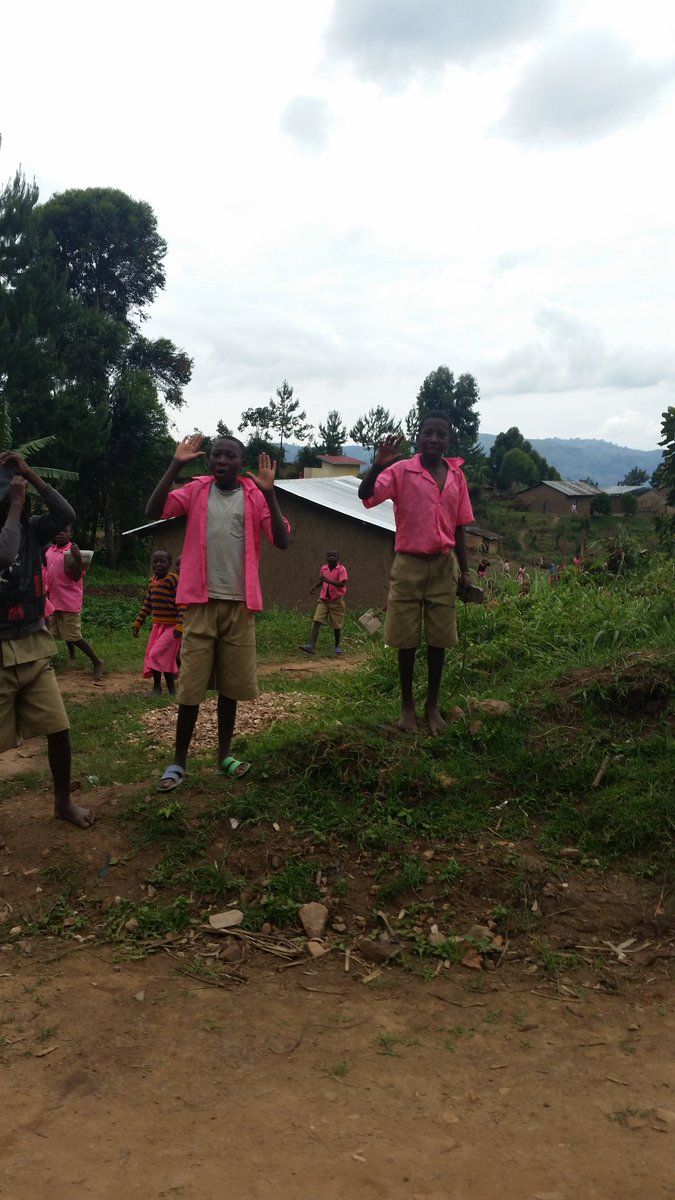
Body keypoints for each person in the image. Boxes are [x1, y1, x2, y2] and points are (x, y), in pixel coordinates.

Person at [144, 433, 290, 790]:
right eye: (217, 456)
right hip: (200, 604)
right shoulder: (196, 491)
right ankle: (179, 762)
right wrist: (176, 464)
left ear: (242, 463)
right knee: (191, 686)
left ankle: (224, 755)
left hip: (240, 605)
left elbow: (282, 540)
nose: (221, 461)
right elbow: (153, 511)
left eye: (230, 456)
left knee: (230, 685)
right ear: (210, 461)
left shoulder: (255, 495)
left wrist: (270, 492)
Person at [358, 411, 473, 736]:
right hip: (408, 563)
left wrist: (465, 573)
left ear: (448, 439)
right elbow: (365, 495)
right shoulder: (400, 471)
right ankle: (407, 706)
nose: (434, 439)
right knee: (405, 638)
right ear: (419, 437)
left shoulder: (456, 476)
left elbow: (460, 526)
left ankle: (431, 705)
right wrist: (379, 463)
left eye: (441, 434)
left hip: (442, 565)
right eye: (428, 433)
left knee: (440, 639)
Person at [0, 452, 95, 832]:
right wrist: (18, 505)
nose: (17, 502)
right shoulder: (12, 525)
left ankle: (61, 803)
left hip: (34, 644)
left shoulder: (34, 528)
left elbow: (66, 514)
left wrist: (31, 475)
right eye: (10, 497)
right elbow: (4, 553)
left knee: (59, 729)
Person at [44, 525, 103, 681]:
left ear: (71, 534)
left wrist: (77, 558)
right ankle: (47, 665)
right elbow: (48, 575)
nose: (61, 533)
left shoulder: (75, 554)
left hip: (69, 601)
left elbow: (77, 577)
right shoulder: (50, 551)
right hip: (53, 600)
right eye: (58, 530)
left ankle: (97, 661)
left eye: (65, 531)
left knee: (73, 635)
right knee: (51, 633)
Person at [132, 549, 183, 695]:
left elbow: (182, 604)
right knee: (163, 658)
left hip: (172, 627)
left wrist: (180, 625)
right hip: (157, 626)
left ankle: (157, 688)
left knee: (155, 654)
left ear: (169, 564)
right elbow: (148, 604)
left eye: (162, 561)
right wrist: (138, 622)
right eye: (155, 561)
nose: (158, 564)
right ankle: (168, 690)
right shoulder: (151, 582)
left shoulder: (173, 579)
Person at [300, 550, 348, 656]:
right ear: (326, 558)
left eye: (334, 556)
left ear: (338, 558)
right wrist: (315, 587)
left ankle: (337, 646)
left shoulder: (341, 569)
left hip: (336, 601)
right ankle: (311, 646)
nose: (331, 557)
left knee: (337, 625)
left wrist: (327, 580)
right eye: (329, 556)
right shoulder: (324, 568)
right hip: (323, 600)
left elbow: (341, 584)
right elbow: (322, 580)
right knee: (317, 621)